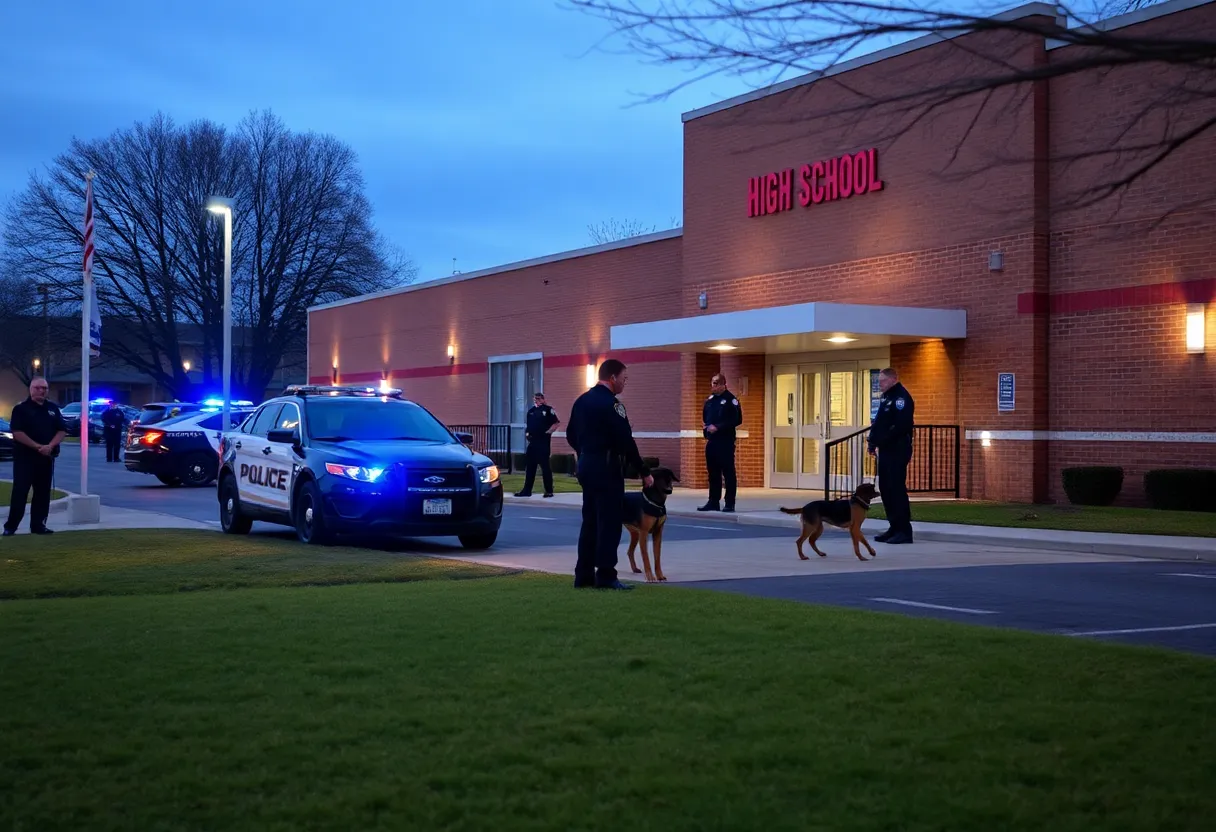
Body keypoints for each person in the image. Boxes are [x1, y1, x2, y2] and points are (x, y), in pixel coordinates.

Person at [565, 358, 653, 590]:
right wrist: (644, 471)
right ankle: (606, 574)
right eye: (624, 378)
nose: (625, 383)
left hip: (586, 465)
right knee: (610, 523)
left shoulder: (581, 401)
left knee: (590, 522)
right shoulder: (613, 405)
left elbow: (571, 434)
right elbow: (626, 441)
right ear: (612, 378)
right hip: (607, 468)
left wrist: (585, 453)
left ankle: (583, 575)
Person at [3, 377, 67, 536]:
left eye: (44, 388)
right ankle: (11, 526)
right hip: (25, 458)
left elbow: (61, 430)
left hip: (46, 458)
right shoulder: (21, 409)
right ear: (31, 389)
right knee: (20, 492)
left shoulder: (53, 409)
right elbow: (17, 433)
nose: (41, 391)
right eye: (38, 388)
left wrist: (50, 446)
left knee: (43, 493)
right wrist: (38, 446)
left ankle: (38, 525)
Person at [867, 367, 915, 544]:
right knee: (886, 489)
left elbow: (901, 426)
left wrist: (883, 440)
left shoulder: (901, 398)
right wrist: (873, 441)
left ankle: (904, 530)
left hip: (897, 449)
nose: (880, 385)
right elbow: (880, 422)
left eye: (882, 381)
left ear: (894, 379)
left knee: (896, 489)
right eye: (879, 382)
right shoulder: (887, 397)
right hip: (886, 449)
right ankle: (893, 527)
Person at [697, 373, 743, 513]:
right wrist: (706, 428)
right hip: (712, 441)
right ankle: (713, 501)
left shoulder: (731, 400)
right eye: (712, 383)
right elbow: (705, 417)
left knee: (728, 473)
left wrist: (718, 427)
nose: (714, 386)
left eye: (716, 383)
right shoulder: (710, 400)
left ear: (724, 384)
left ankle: (729, 503)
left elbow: (737, 420)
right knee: (713, 473)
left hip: (725, 442)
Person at [513, 392, 560, 498]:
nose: (537, 401)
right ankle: (527, 490)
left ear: (543, 399)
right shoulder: (531, 412)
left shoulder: (548, 410)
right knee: (530, 467)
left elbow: (556, 423)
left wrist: (549, 432)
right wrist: (527, 434)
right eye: (535, 399)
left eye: (539, 399)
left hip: (543, 443)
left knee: (545, 467)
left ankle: (549, 490)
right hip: (533, 442)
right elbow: (529, 427)